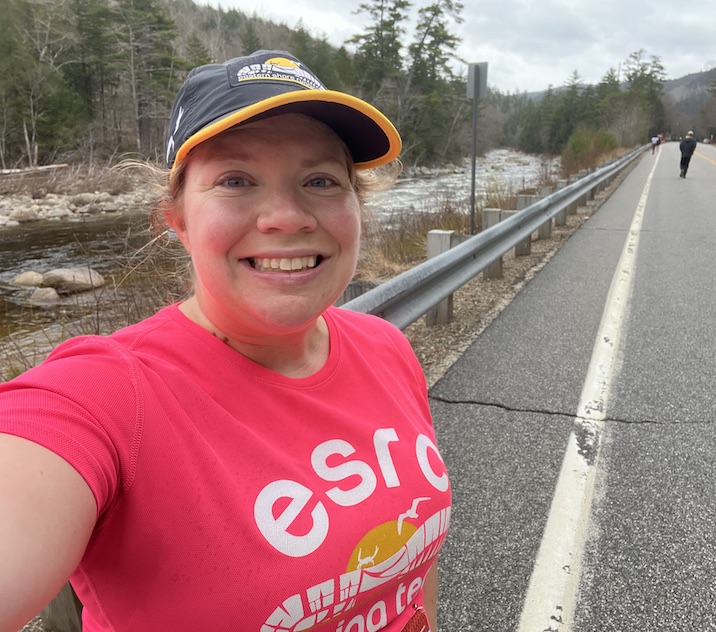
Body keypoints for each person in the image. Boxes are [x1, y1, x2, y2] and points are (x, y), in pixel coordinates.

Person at [0, 50, 451, 632]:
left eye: (320, 180)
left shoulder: (386, 347)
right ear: (178, 220)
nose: (286, 217)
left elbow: (413, 566)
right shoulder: (105, 397)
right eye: (236, 180)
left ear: (357, 208)